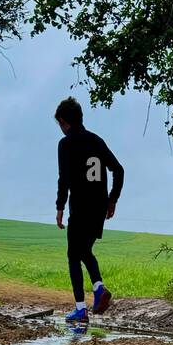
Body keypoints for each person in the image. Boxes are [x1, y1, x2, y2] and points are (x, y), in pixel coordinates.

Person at [54, 96, 123, 324]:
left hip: (80, 208)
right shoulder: (96, 141)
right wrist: (112, 200)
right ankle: (98, 288)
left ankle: (82, 309)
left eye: (60, 124)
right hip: (99, 209)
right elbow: (119, 170)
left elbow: (64, 178)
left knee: (73, 255)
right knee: (84, 251)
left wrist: (60, 206)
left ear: (64, 121)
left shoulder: (65, 144)